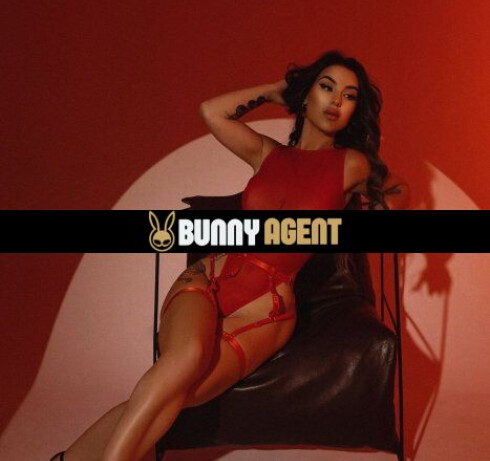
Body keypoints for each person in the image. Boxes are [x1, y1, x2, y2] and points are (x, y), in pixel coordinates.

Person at [50, 50, 410, 461]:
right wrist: (273, 91)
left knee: (180, 390)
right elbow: (212, 111)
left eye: (349, 95)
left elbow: (398, 189)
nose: (336, 101)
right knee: (183, 363)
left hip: (266, 310)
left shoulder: (351, 165)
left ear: (354, 110)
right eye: (326, 87)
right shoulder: (267, 153)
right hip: (209, 278)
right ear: (307, 95)